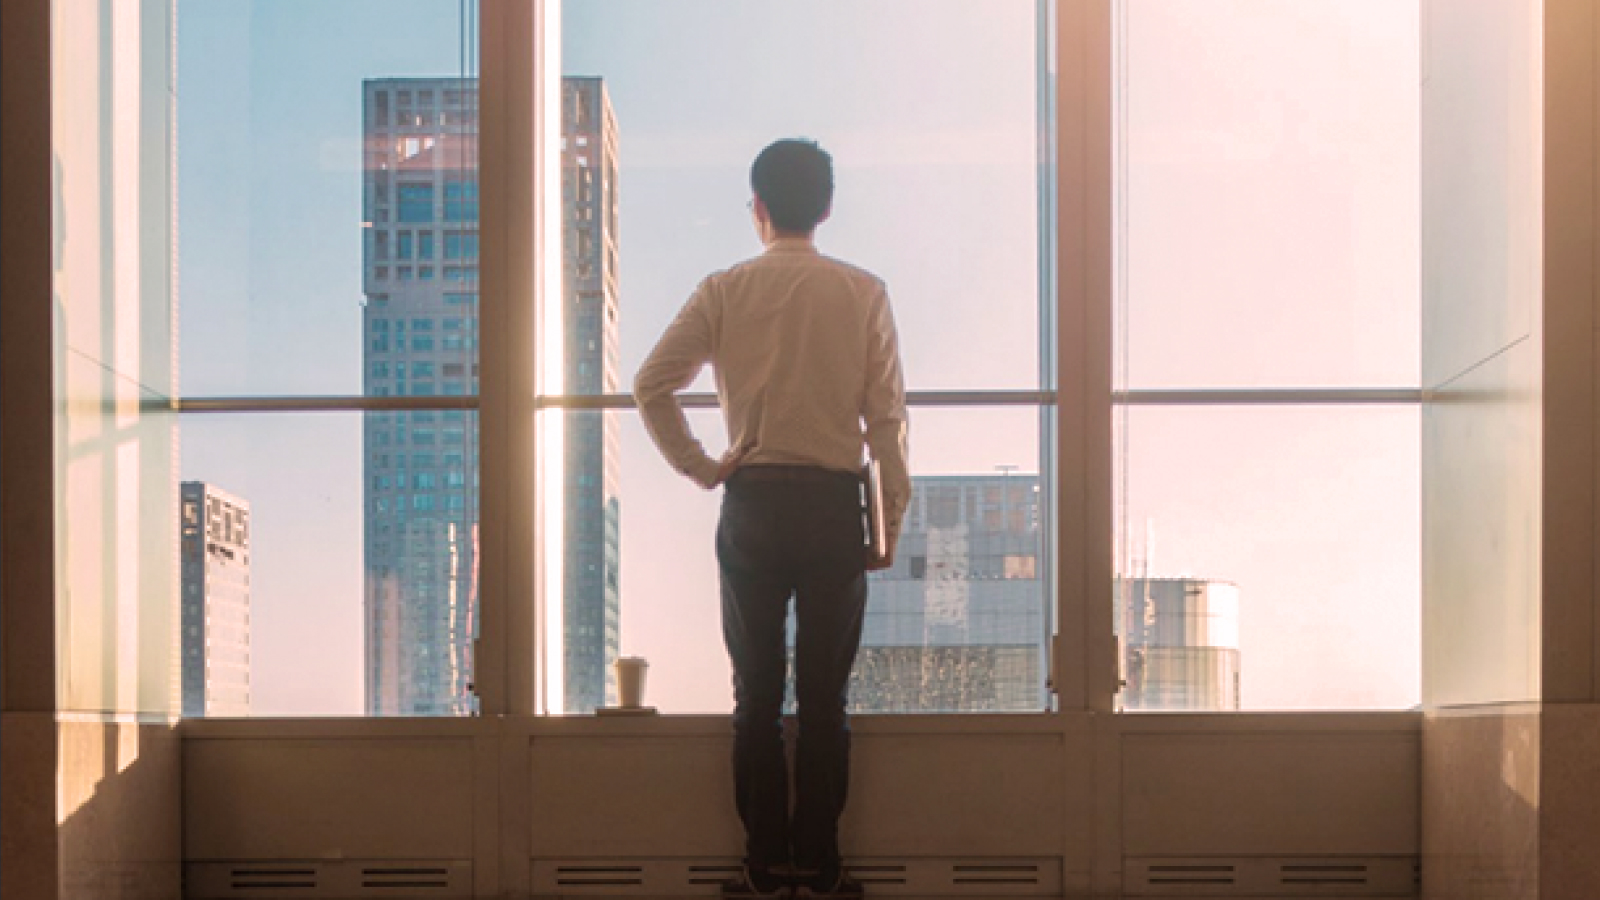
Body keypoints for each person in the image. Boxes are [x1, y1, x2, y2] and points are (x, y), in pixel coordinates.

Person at [634, 138, 911, 900]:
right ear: (826, 208)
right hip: (831, 508)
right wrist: (886, 523)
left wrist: (703, 466)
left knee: (755, 697)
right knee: (824, 701)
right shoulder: (864, 292)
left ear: (757, 207)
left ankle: (762, 867)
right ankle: (818, 867)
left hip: (753, 502)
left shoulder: (724, 290)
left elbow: (651, 385)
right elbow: (887, 422)